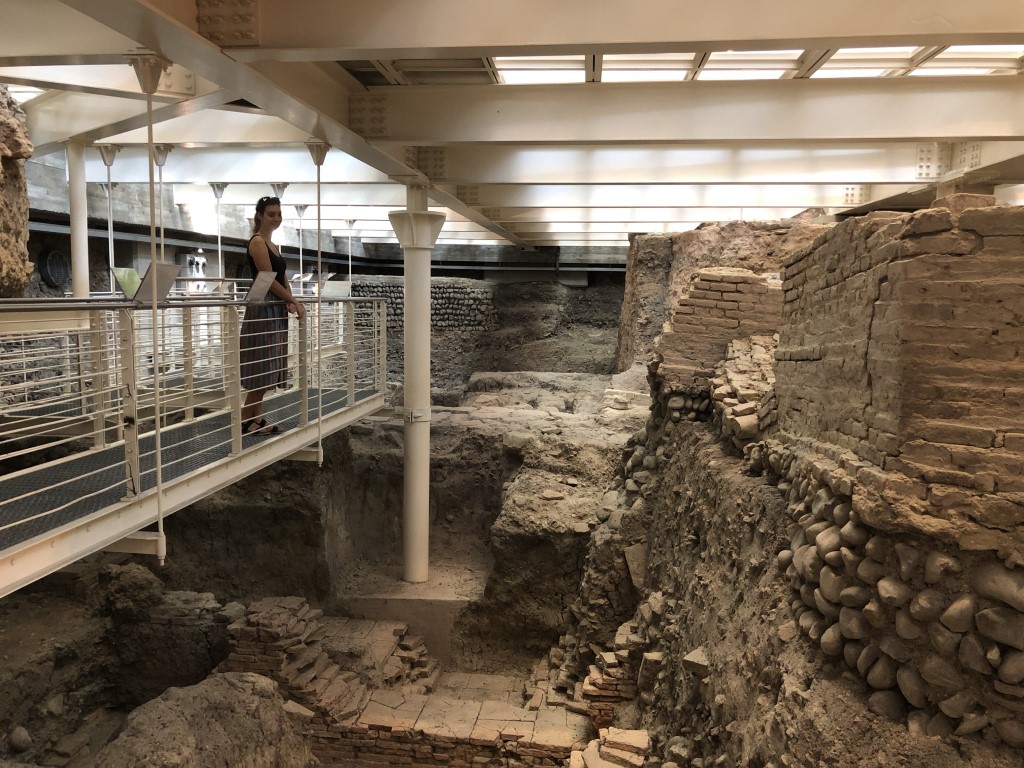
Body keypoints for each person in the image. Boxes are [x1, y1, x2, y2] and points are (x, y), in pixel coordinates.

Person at [239, 195, 305, 435]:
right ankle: (246, 420)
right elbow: (266, 277)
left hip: (274, 307)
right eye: (271, 214)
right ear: (260, 216)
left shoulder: (272, 244)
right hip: (263, 307)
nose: (276, 218)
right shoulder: (257, 242)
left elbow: (281, 277)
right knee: (263, 362)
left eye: (278, 214)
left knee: (269, 362)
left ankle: (255, 417)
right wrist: (293, 300)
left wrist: (289, 298)